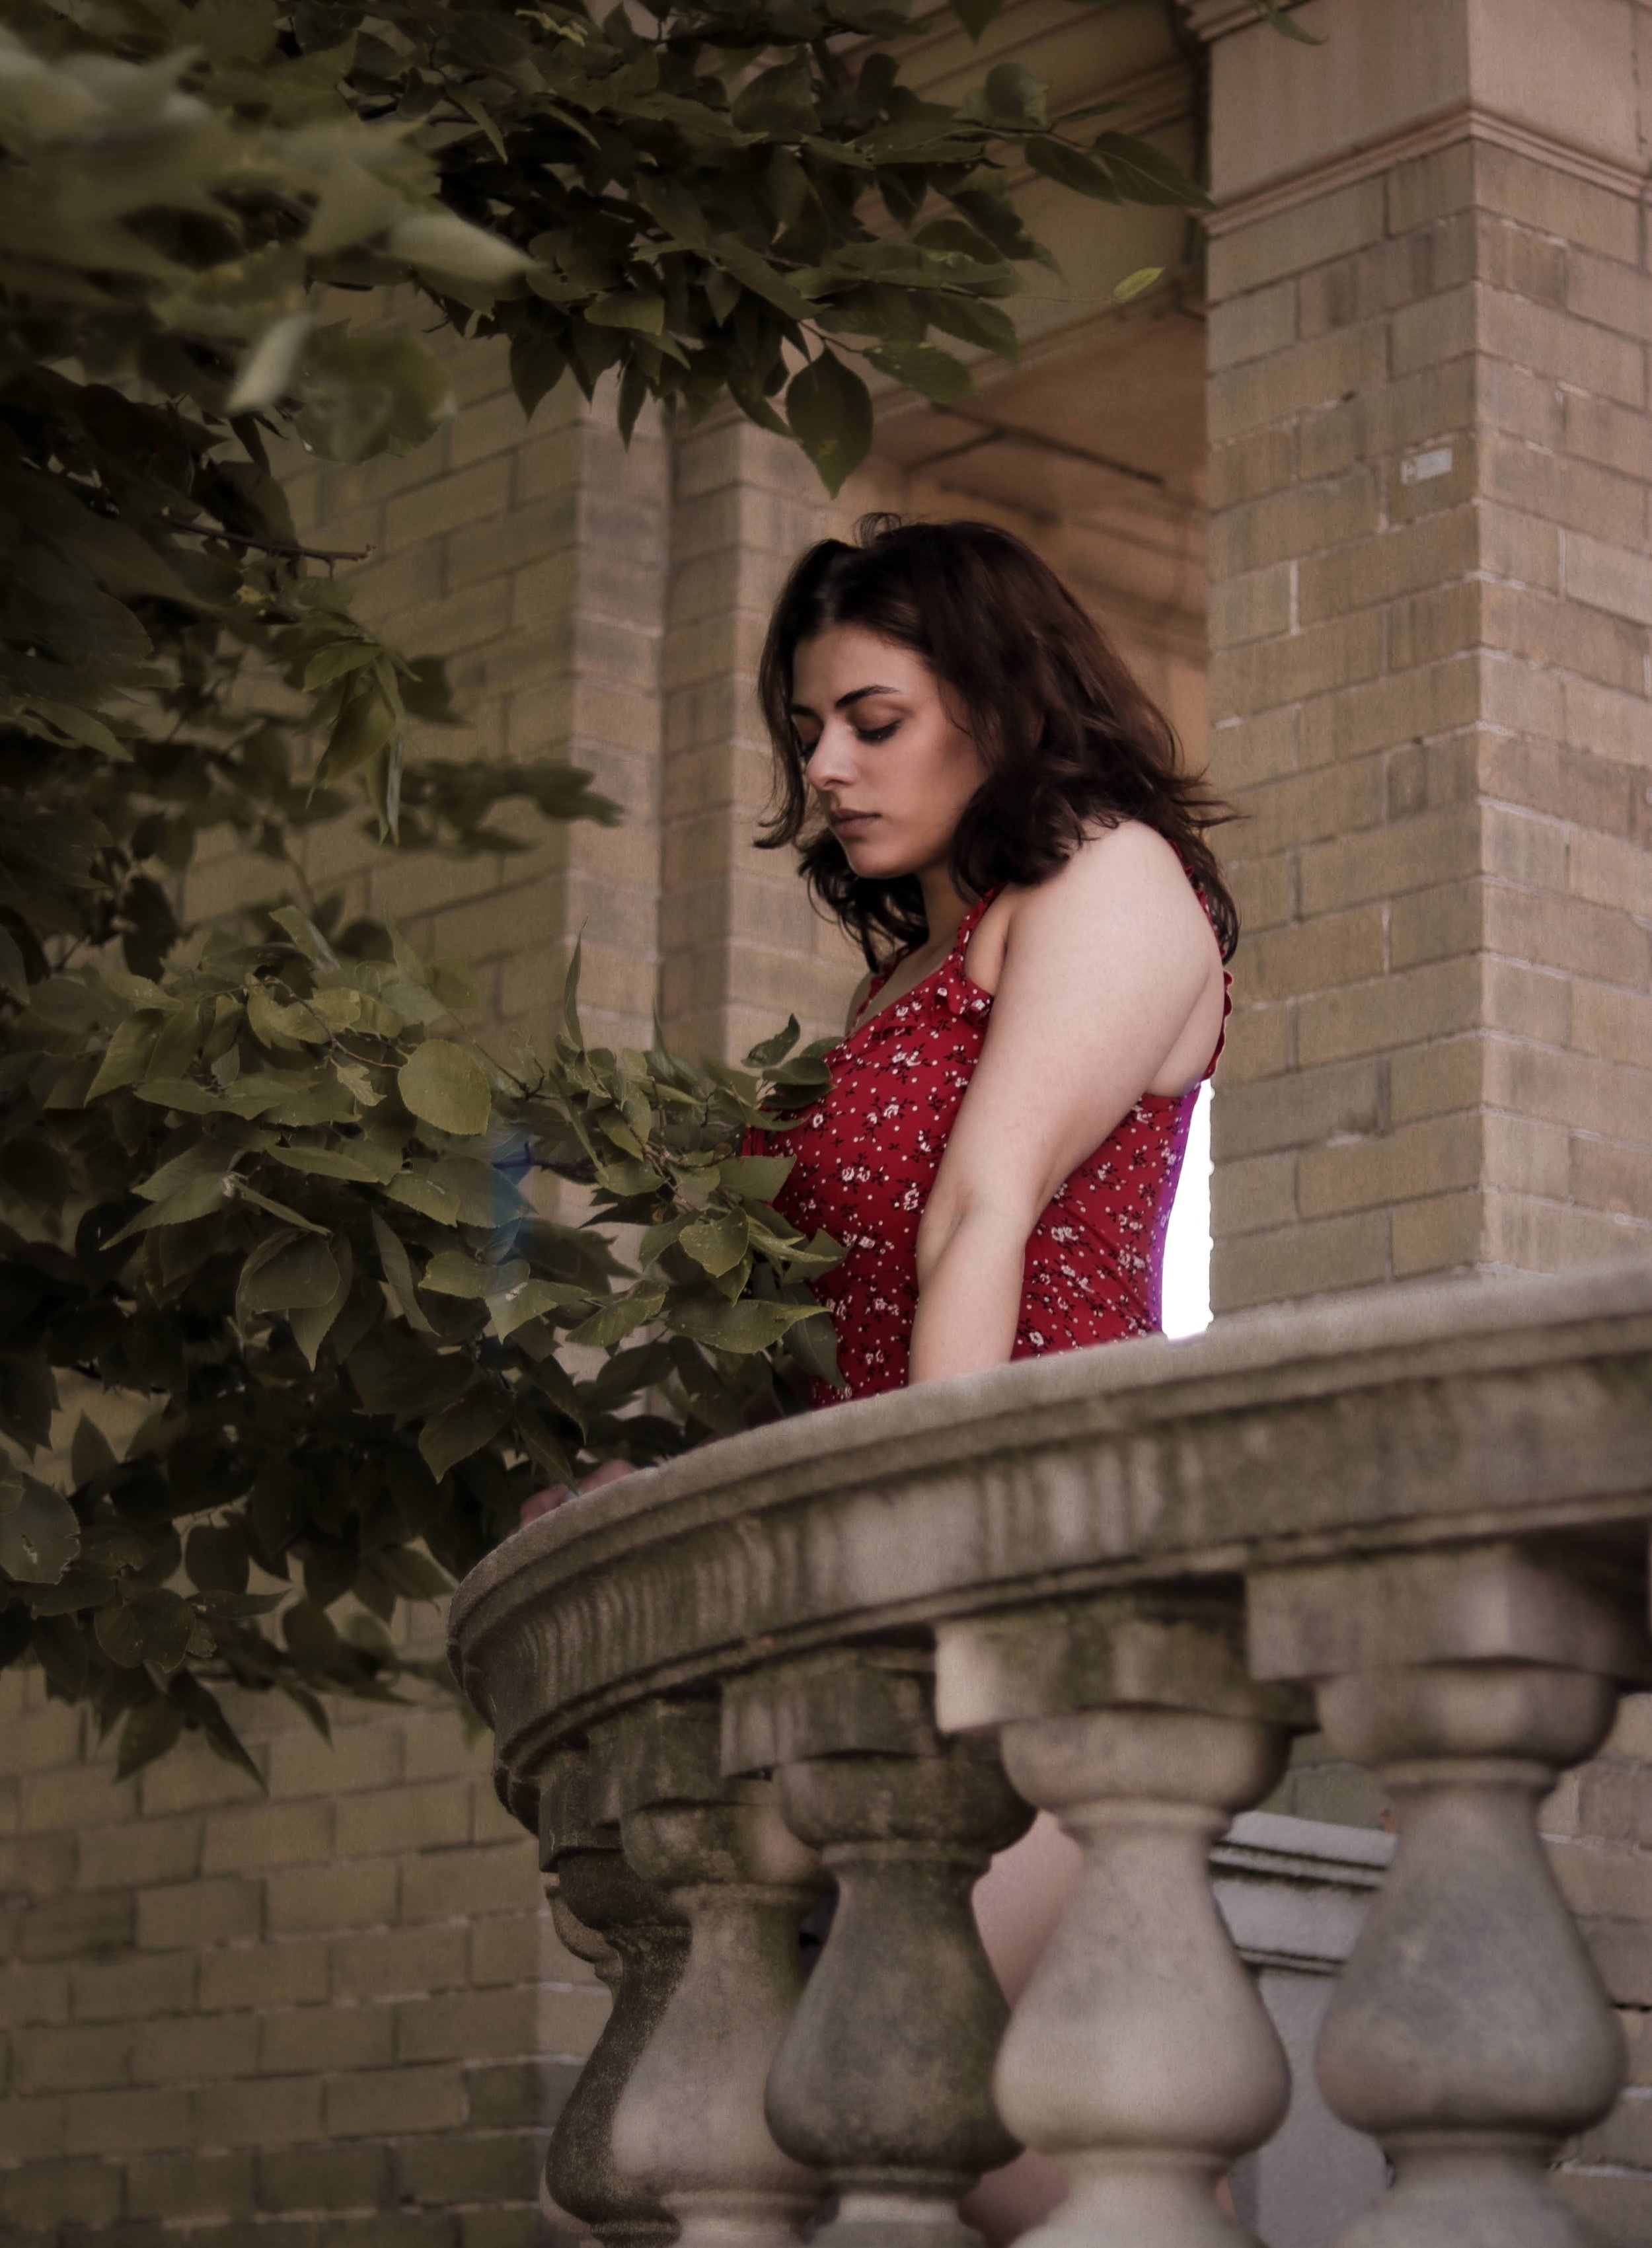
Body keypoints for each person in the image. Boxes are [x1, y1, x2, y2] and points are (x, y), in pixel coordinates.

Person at [523, 513, 1239, 2235]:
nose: (826, 770)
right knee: (980, 2146)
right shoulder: (908, 974)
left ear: (999, 698)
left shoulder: (1110, 876)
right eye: (807, 732)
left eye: (873, 719)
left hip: (1035, 1561)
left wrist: (921, 1563)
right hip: (877, 1579)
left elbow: (982, 1213)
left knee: (923, 2106)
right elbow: (831, 1318)